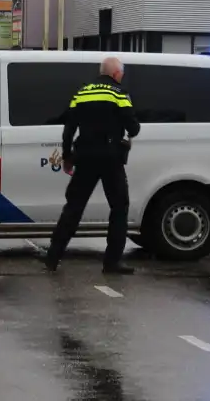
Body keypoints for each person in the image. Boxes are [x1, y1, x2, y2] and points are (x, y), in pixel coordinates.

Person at [45, 56, 141, 274]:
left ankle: (52, 257)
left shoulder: (82, 93)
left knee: (73, 208)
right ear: (116, 73)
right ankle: (112, 262)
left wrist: (68, 157)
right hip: (111, 159)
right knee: (118, 208)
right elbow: (133, 127)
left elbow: (69, 128)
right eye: (121, 73)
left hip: (85, 156)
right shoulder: (119, 93)